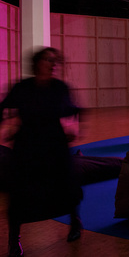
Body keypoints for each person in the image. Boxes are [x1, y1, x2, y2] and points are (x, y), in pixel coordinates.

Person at [0, 47, 83, 257]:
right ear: (37, 63)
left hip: (54, 143)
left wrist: (75, 129)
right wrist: (6, 128)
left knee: (65, 184)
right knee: (19, 190)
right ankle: (13, 240)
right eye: (49, 60)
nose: (54, 65)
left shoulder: (60, 88)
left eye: (57, 61)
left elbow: (75, 110)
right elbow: (3, 106)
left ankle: (75, 222)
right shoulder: (23, 87)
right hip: (27, 144)